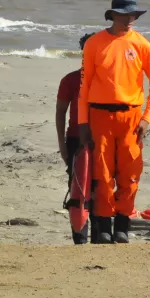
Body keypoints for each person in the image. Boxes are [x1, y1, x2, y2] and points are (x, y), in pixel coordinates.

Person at [78, 0, 150, 244]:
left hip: (132, 117)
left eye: (132, 15)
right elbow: (84, 87)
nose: (129, 20)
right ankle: (103, 226)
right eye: (124, 15)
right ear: (113, 15)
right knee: (102, 174)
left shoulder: (143, 45)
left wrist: (147, 118)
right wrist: (83, 123)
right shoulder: (94, 43)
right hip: (99, 116)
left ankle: (122, 225)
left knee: (130, 174)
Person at [56, 32, 96, 244]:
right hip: (75, 140)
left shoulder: (106, 80)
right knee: (77, 188)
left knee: (100, 188)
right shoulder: (70, 80)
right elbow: (60, 112)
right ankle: (80, 239)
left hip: (102, 140)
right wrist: (62, 145)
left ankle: (100, 236)